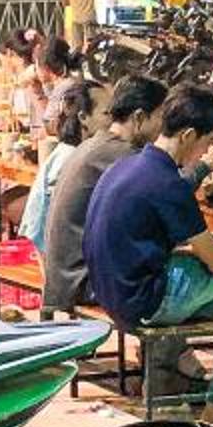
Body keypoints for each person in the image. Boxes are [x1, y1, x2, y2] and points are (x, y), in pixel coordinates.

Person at [82, 84, 213, 421]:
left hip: (110, 291)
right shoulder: (168, 183)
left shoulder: (126, 166)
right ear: (189, 135)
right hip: (145, 299)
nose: (205, 153)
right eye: (207, 142)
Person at [40, 75, 166, 316]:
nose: (163, 128)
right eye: (161, 116)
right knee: (175, 282)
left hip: (65, 278)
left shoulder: (95, 144)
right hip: (81, 282)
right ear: (140, 117)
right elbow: (168, 197)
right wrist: (202, 167)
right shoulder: (121, 153)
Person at [17, 76, 92, 246]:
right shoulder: (69, 155)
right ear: (83, 117)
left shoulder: (74, 151)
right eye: (105, 113)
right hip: (47, 248)